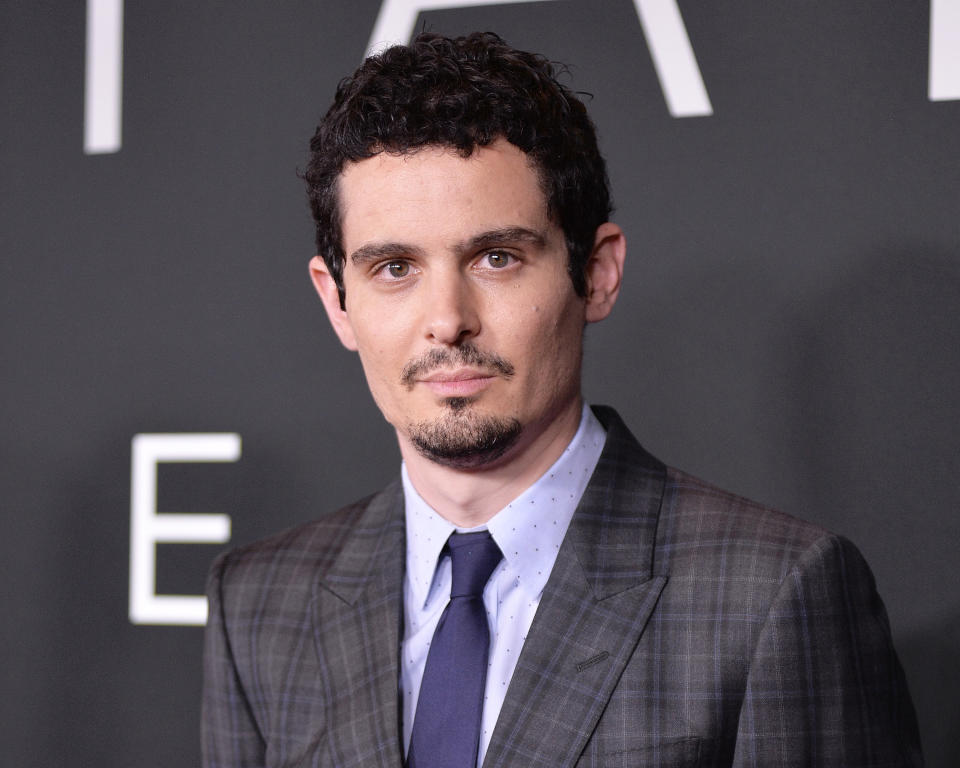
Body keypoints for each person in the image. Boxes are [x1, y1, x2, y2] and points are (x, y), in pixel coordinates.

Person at [201, 32, 922, 767]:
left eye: (496, 258)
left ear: (598, 273)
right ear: (338, 301)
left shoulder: (772, 597)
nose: (447, 319)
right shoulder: (260, 604)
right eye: (394, 267)